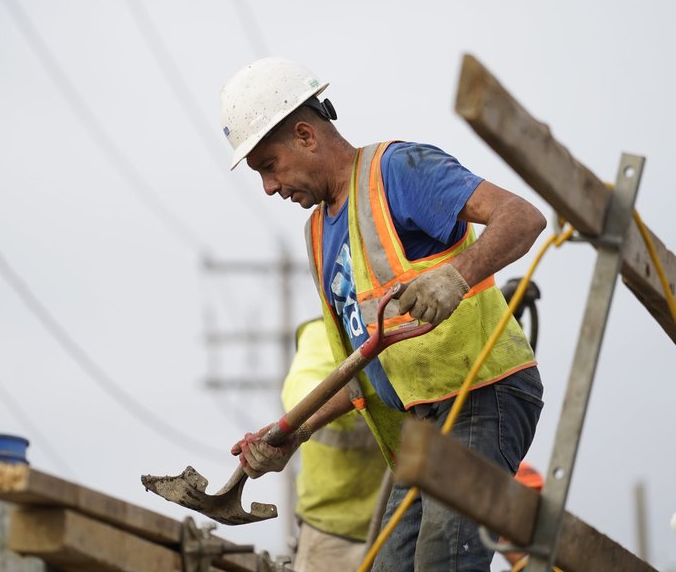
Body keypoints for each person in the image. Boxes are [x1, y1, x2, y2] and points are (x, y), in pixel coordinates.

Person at [224, 57, 547, 571]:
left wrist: (456, 275)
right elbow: (361, 376)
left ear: (306, 135)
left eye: (268, 165)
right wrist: (292, 434)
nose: (268, 187)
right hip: (421, 425)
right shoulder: (317, 235)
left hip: (481, 395)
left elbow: (523, 217)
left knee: (444, 557)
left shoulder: (396, 171)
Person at [283, 318, 388, 572]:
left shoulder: (405, 326)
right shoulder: (323, 333)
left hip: (403, 526)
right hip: (332, 532)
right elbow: (301, 395)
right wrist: (358, 397)